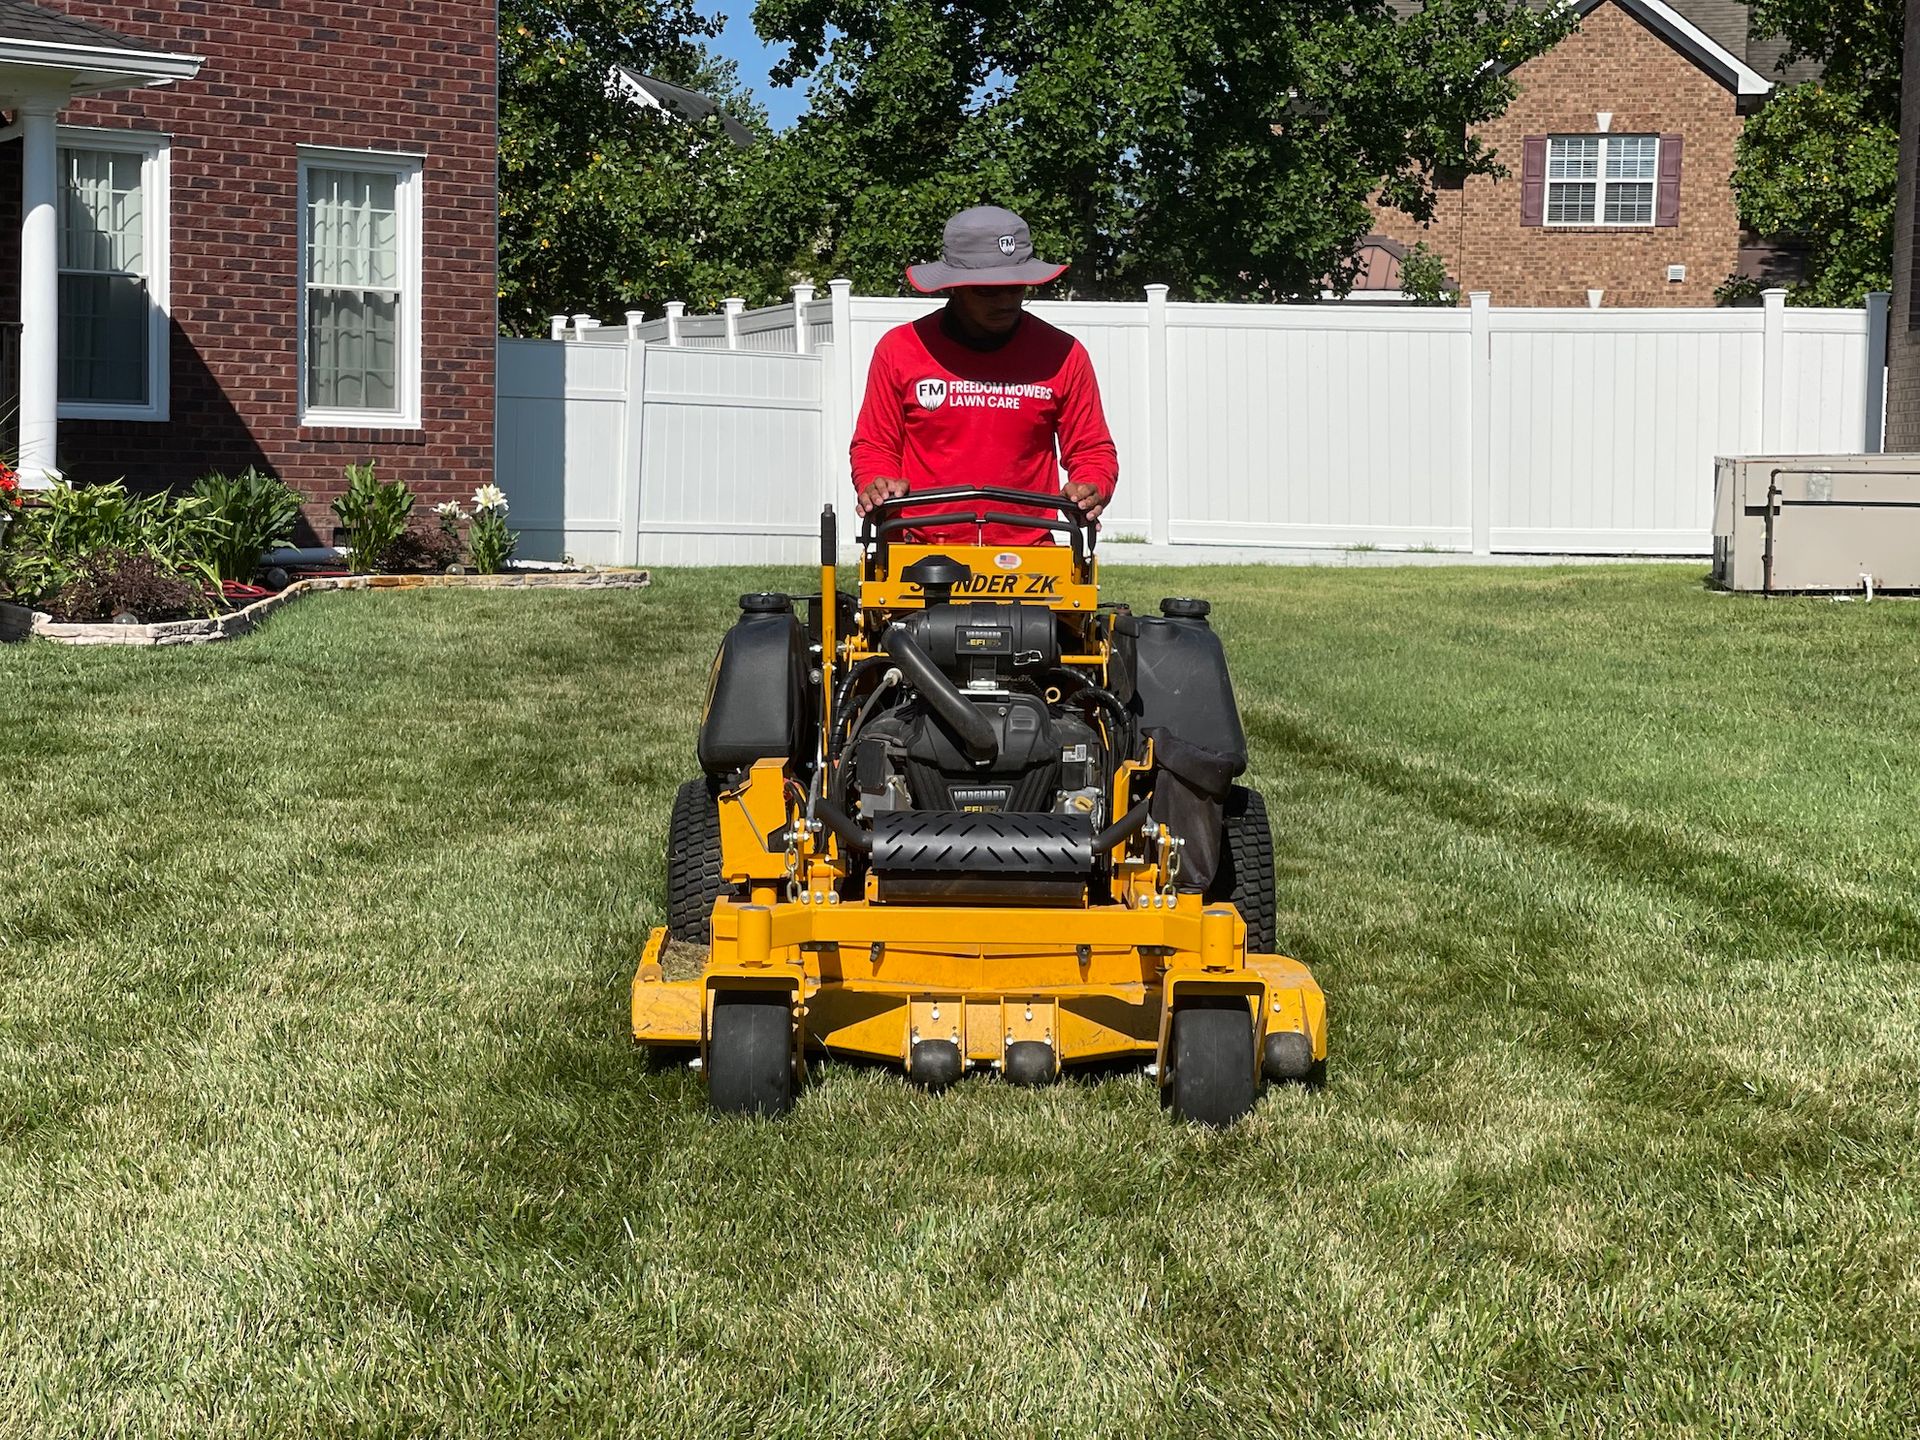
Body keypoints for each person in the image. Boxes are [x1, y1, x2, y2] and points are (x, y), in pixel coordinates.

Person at [849, 205, 1118, 546]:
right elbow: (874, 444)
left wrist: (1091, 485)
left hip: (1030, 555)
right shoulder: (899, 350)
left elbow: (1092, 448)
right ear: (954, 287)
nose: (1005, 300)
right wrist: (878, 481)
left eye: (1016, 287)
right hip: (921, 551)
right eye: (987, 290)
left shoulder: (1064, 355)